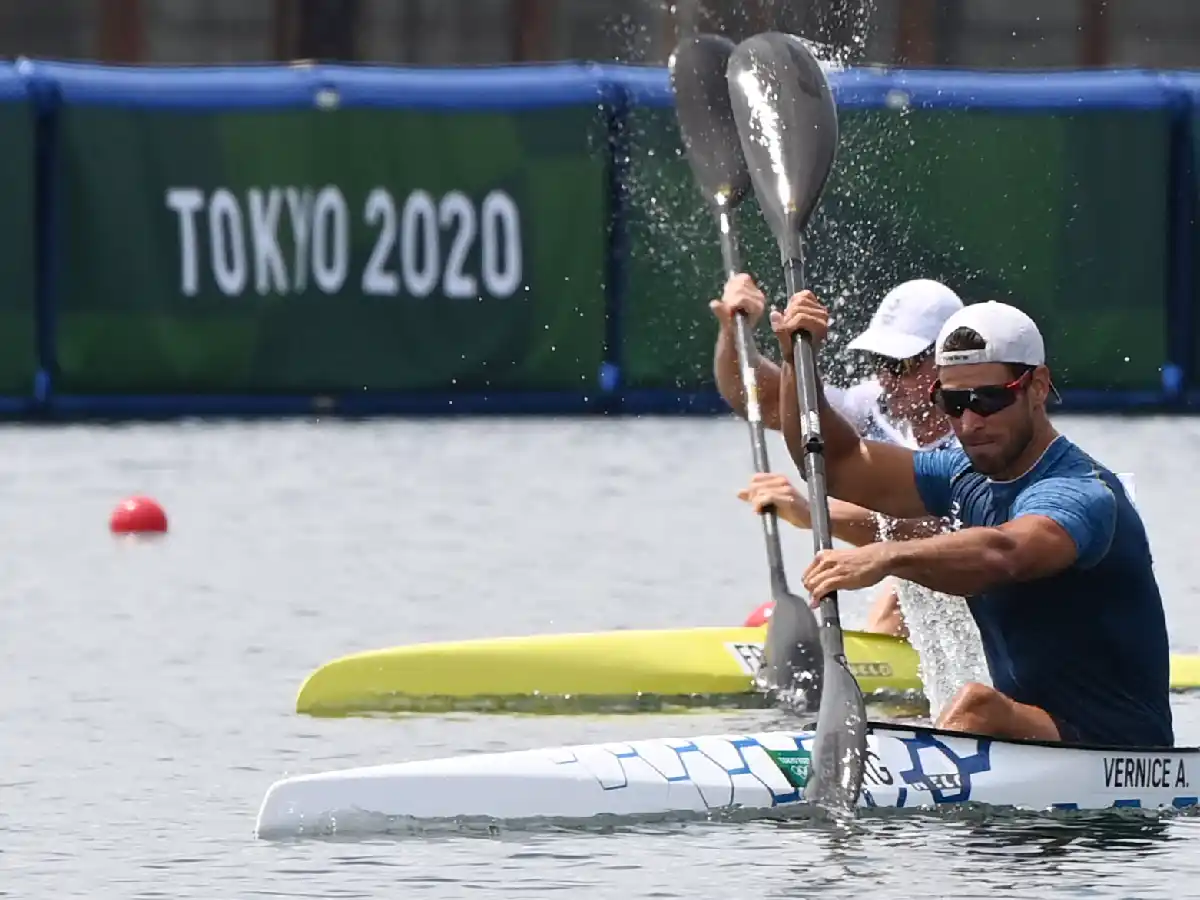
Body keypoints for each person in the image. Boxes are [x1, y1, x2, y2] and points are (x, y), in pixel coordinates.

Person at [747, 289, 1173, 747]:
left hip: (1123, 750)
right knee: (979, 707)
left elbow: (1006, 552)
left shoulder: (1082, 491)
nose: (969, 423)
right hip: (1033, 737)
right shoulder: (960, 473)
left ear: (1038, 387)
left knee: (977, 705)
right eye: (954, 403)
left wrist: (886, 557)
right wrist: (797, 361)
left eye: (989, 400)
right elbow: (838, 462)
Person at [712, 274, 962, 636]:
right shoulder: (873, 405)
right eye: (881, 361)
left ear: (949, 361)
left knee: (901, 593)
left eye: (902, 365)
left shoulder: (979, 435)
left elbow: (939, 536)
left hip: (978, 595)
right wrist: (737, 336)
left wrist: (813, 512)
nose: (887, 379)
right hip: (918, 590)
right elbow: (765, 401)